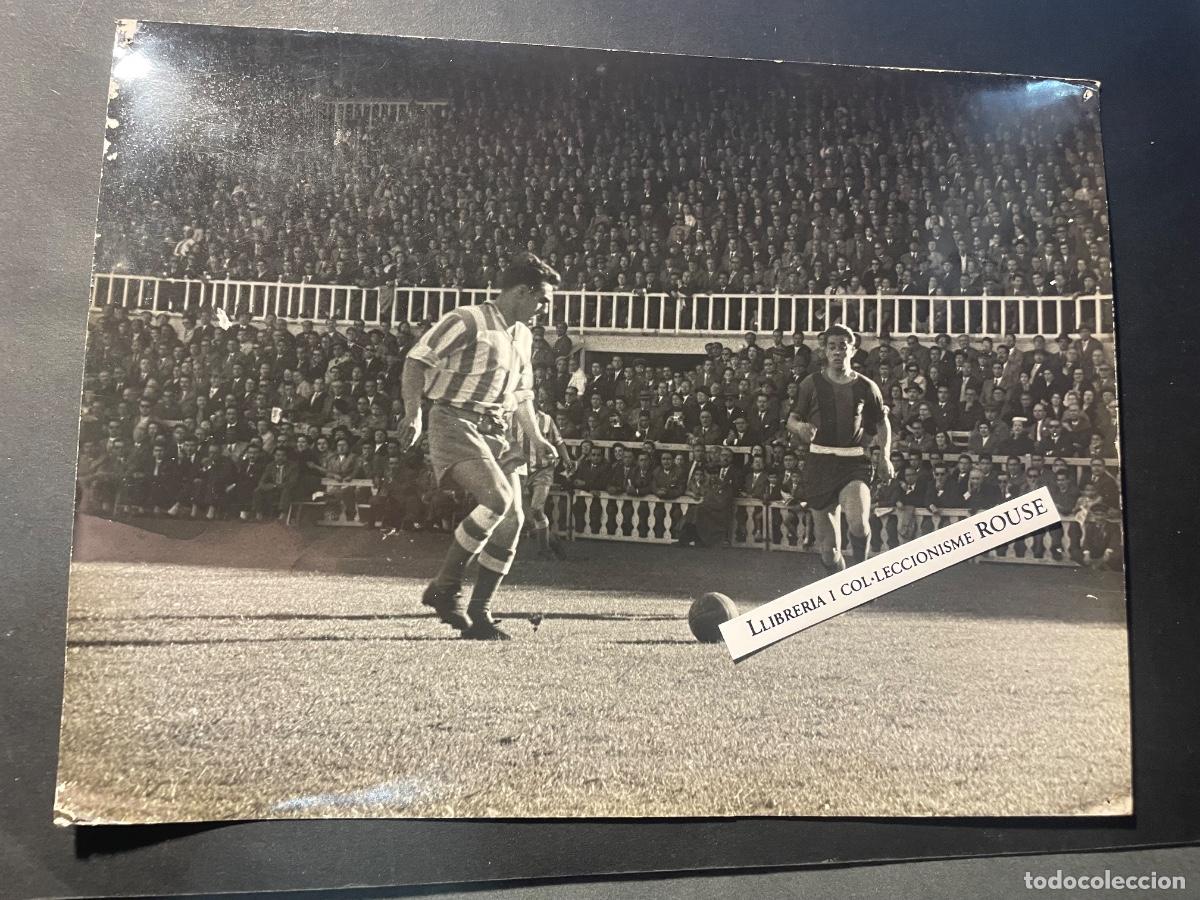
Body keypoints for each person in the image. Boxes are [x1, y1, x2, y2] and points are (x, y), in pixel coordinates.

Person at [398, 252, 561, 640]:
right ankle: (445, 586)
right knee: (497, 500)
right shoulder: (466, 320)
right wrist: (413, 413)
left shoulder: (522, 334)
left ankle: (480, 613)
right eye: (543, 301)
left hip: (498, 429)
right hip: (455, 419)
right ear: (522, 292)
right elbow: (416, 361)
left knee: (513, 520)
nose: (545, 310)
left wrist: (536, 437)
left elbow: (522, 393)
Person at [787, 325, 893, 571]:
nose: (837, 352)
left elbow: (881, 421)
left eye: (843, 347)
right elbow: (791, 420)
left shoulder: (867, 386)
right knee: (828, 550)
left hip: (853, 463)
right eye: (832, 347)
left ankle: (861, 573)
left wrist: (885, 456)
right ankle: (841, 583)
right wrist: (799, 428)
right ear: (824, 350)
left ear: (853, 350)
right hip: (819, 463)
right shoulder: (810, 384)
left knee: (858, 524)